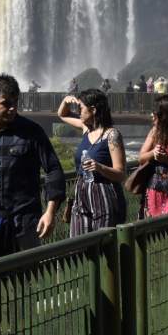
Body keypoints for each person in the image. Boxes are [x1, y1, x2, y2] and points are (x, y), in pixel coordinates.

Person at [0, 74, 65, 247]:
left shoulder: (32, 132)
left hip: (24, 224)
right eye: (5, 104)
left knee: (25, 273)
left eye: (15, 103)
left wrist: (50, 212)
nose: (12, 109)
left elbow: (54, 169)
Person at [57, 89, 127, 234]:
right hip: (81, 191)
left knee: (102, 242)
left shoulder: (111, 135)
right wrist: (66, 101)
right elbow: (62, 114)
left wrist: (99, 167)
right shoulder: (86, 129)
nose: (78, 112)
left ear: (93, 110)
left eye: (81, 108)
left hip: (103, 192)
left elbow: (121, 174)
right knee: (77, 242)